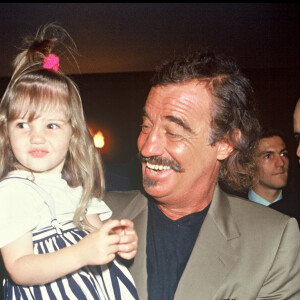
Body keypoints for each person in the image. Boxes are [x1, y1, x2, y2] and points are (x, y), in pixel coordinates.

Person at [104, 50, 300, 299]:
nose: (147, 147)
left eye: (173, 132)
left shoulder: (272, 241)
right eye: (145, 126)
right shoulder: (94, 215)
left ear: (226, 143)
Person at [0, 24, 139, 300]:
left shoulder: (75, 187)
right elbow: (18, 267)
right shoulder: (13, 191)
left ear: (73, 133)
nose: (36, 138)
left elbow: (97, 232)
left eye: (51, 126)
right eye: (24, 125)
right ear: (7, 132)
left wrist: (119, 239)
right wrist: (81, 253)